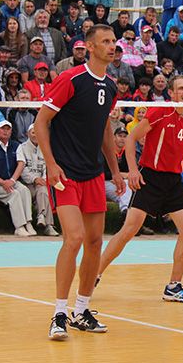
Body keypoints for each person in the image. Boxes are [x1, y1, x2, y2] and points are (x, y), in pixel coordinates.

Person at [34, 24, 123, 340]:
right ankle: (59, 313)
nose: (112, 46)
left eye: (114, 41)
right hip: (65, 172)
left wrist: (115, 170)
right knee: (73, 238)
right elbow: (41, 122)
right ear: (90, 47)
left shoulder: (110, 86)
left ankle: (81, 310)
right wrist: (51, 164)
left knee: (95, 242)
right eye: (106, 41)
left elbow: (105, 130)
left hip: (93, 173)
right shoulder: (70, 79)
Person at [97, 74, 183, 302]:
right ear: (171, 92)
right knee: (129, 230)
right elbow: (131, 139)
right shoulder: (160, 111)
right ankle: (94, 274)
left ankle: (174, 287)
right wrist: (133, 170)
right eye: (181, 89)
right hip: (150, 178)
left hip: (173, 181)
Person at [0, 120, 35, 237]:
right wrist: (3, 182)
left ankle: (28, 223)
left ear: (11, 132)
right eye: (3, 129)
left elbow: (21, 163)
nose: (5, 131)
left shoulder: (16, 146)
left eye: (8, 129)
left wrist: (12, 180)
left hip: (12, 180)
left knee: (25, 191)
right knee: (14, 194)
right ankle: (19, 227)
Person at [18, 123, 59, 236]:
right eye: (33, 132)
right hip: (27, 183)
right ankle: (48, 223)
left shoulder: (45, 148)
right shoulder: (21, 147)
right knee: (42, 192)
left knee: (43, 191)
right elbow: (22, 168)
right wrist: (34, 179)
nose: (35, 135)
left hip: (42, 183)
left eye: (37, 132)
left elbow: (47, 166)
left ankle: (43, 218)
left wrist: (43, 180)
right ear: (28, 134)